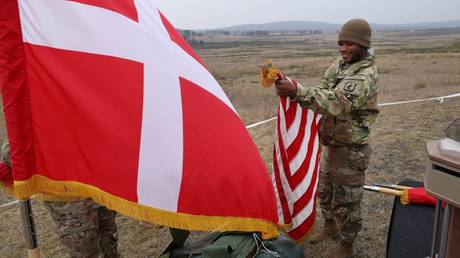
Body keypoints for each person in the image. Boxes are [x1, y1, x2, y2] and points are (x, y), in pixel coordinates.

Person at [274, 18, 379, 258]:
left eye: (349, 43)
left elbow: (336, 102)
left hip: (350, 150)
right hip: (331, 144)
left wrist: (298, 91)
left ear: (363, 44)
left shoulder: (365, 75)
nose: (343, 48)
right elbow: (322, 89)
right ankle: (330, 226)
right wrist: (294, 87)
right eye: (341, 43)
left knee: (347, 201)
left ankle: (347, 244)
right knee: (325, 192)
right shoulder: (340, 65)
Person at [0, 138, 120, 258]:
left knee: (109, 245)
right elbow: (13, 154)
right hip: (70, 204)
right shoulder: (37, 122)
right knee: (85, 251)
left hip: (98, 190)